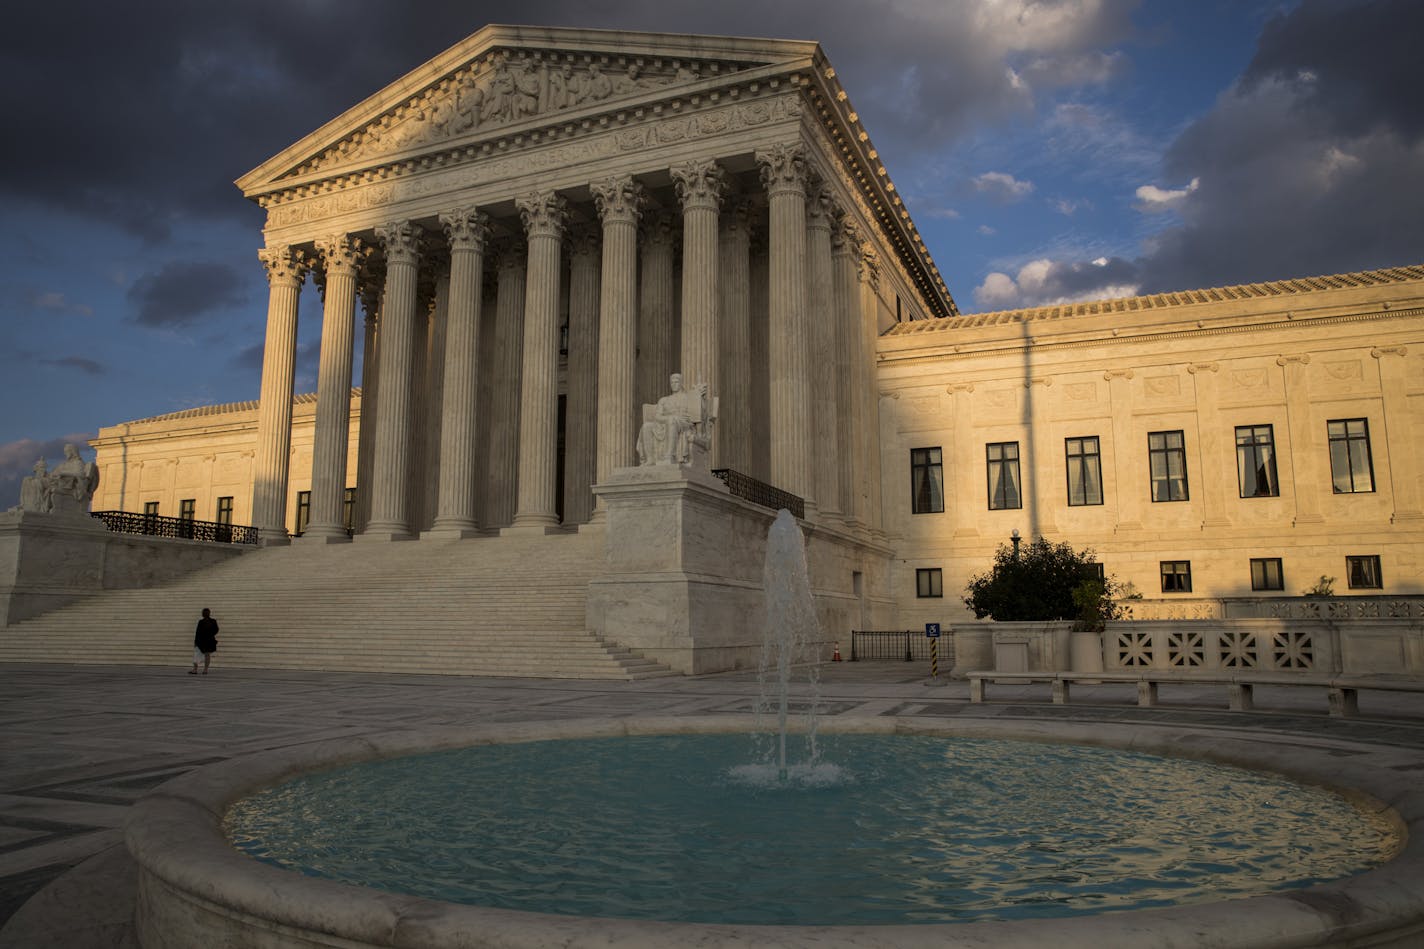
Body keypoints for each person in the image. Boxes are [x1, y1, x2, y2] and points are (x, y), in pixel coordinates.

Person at [191, 608, 219, 675]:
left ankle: (195, 669)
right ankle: (205, 670)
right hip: (209, 640)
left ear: (203, 614)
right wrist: (211, 635)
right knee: (207, 655)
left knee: (196, 655)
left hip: (201, 641)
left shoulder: (201, 621)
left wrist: (195, 642)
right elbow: (216, 630)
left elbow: (198, 632)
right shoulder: (213, 621)